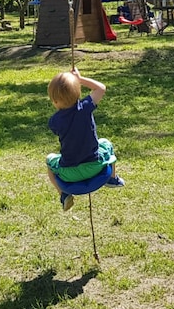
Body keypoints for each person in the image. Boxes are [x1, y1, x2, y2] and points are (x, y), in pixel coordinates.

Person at [45, 69, 125, 211]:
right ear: (78, 93)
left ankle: (63, 194)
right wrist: (80, 79)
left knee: (49, 160)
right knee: (106, 143)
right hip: (95, 166)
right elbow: (101, 88)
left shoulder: (54, 121)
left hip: (69, 172)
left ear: (55, 101)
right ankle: (112, 178)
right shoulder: (85, 107)